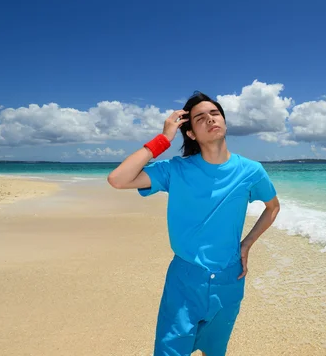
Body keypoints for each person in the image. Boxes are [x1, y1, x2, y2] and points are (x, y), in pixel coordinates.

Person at [107, 92, 280, 356]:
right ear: (190, 134)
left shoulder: (251, 171)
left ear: (224, 121)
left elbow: (272, 207)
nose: (210, 119)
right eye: (200, 118)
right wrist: (163, 140)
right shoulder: (175, 169)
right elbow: (118, 179)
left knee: (215, 351)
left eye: (215, 113)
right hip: (184, 282)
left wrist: (246, 245)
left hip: (229, 281)